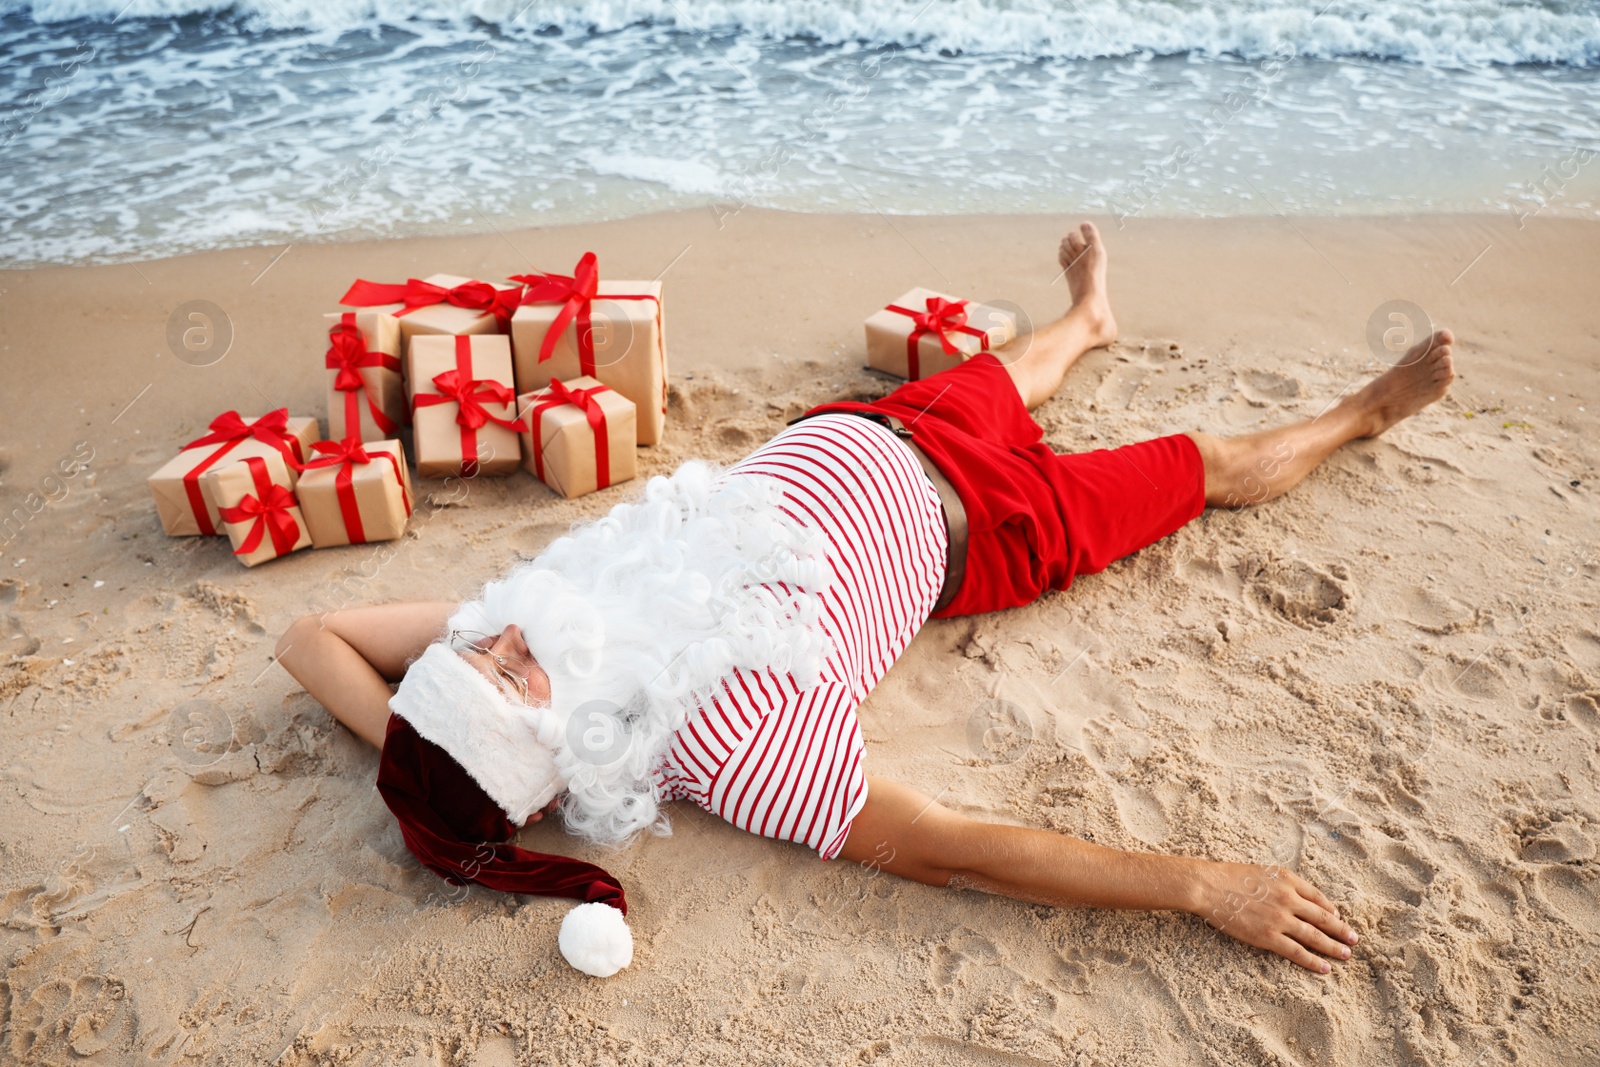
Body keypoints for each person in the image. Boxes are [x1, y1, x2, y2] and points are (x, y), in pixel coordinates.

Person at [275, 222, 1456, 977]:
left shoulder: (539, 615)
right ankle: (1361, 414)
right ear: (564, 746)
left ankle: (1087, 320)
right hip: (987, 531)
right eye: (510, 676)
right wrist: (1206, 886)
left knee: (1015, 368)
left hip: (876, 427)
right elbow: (956, 852)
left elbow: (307, 633)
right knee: (1204, 465)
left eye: (480, 646)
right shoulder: (728, 745)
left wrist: (419, 748)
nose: (509, 634)